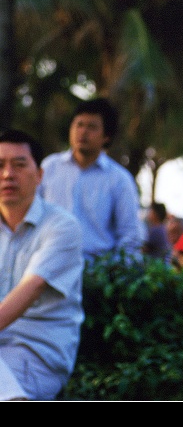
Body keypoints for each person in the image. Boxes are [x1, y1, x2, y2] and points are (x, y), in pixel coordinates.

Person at [0, 129, 84, 400]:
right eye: (0, 165)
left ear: (39, 175)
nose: (7, 174)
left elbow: (32, 286)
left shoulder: (62, 226)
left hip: (37, 355)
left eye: (19, 164)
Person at [39, 98, 145, 265]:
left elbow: (130, 234)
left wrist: (113, 272)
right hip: (46, 267)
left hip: (96, 273)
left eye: (92, 127)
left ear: (106, 137)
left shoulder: (119, 179)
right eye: (79, 124)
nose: (83, 132)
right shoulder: (48, 168)